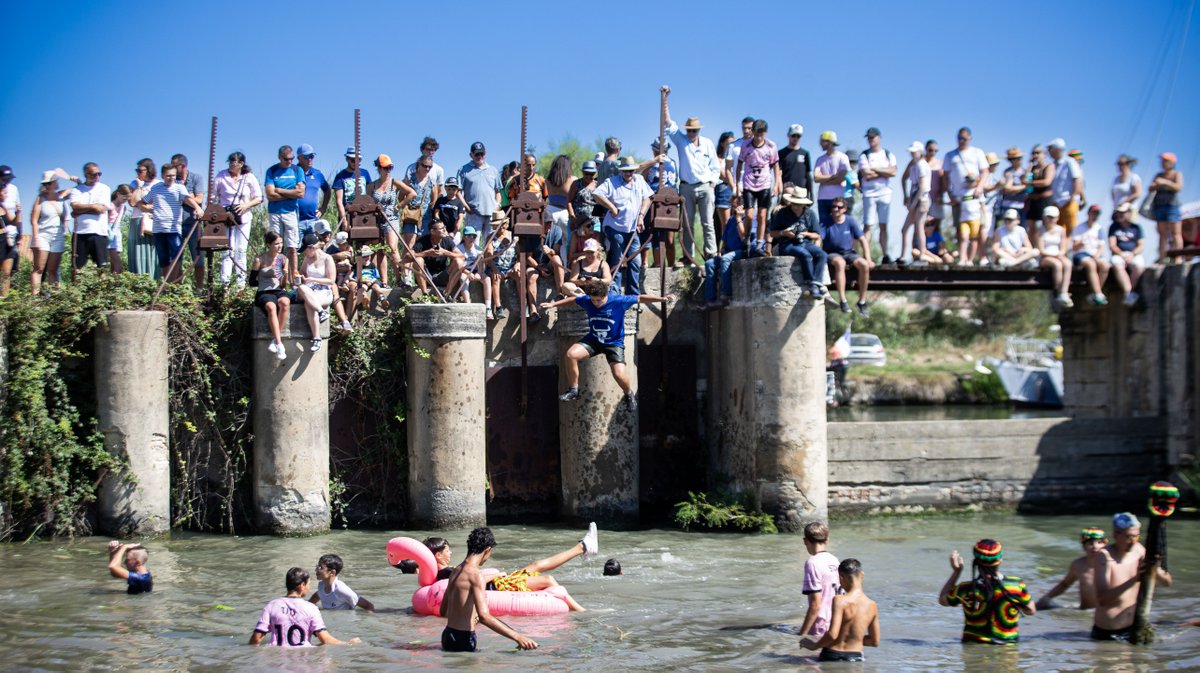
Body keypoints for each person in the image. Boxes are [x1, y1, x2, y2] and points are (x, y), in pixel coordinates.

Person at [542, 278, 674, 411]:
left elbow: (640, 298)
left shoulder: (618, 301)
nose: (595, 303)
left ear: (606, 295)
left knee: (618, 374)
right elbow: (573, 300)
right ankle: (573, 390)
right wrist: (553, 305)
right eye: (593, 300)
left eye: (598, 300)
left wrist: (661, 299)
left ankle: (628, 394)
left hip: (613, 343)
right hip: (593, 340)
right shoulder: (588, 301)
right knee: (570, 355)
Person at [421, 525, 596, 603]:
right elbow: (474, 581)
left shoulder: (444, 571)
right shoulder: (446, 573)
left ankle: (583, 547)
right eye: (447, 551)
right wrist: (496, 575)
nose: (450, 553)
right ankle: (575, 611)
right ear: (437, 556)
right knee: (547, 580)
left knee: (536, 565)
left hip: (499, 583)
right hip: (498, 586)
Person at [439, 528, 539, 652]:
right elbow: (484, 617)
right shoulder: (476, 575)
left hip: (448, 636)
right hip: (463, 639)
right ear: (487, 550)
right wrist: (517, 636)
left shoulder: (455, 571)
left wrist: (468, 617)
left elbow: (443, 611)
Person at [1089, 512, 1173, 641]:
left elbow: (1167, 583)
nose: (1133, 542)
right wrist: (1134, 579)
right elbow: (1102, 599)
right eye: (1129, 537)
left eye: (1137, 536)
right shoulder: (1104, 556)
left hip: (1133, 628)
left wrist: (1155, 569)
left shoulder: (1139, 550)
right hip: (1107, 635)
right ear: (1115, 535)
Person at [938, 539, 1035, 645]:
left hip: (973, 649)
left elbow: (943, 600)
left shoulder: (966, 589)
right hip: (1007, 652)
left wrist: (956, 572)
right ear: (1000, 560)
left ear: (976, 561)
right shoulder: (1015, 585)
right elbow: (1030, 611)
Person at [664, 90, 722, 261]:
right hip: (686, 187)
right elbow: (668, 122)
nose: (691, 133)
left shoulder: (707, 143)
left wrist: (712, 182)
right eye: (689, 130)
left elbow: (715, 165)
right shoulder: (681, 140)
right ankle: (688, 256)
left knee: (707, 222)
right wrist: (665, 99)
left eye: (694, 131)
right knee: (687, 224)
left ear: (698, 130)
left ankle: (710, 253)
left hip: (705, 186)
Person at [250, 567, 359, 647]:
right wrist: (348, 643)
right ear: (302, 586)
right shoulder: (311, 608)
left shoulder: (271, 605)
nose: (308, 587)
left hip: (277, 659)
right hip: (303, 658)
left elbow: (256, 639)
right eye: (308, 584)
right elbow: (325, 639)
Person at [592, 157, 654, 296]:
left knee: (635, 260)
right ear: (621, 171)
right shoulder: (612, 182)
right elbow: (596, 193)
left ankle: (633, 294)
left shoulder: (639, 180)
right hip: (614, 226)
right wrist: (612, 207)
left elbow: (648, 197)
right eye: (626, 171)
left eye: (631, 171)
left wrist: (641, 216)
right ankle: (615, 292)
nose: (629, 174)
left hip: (631, 228)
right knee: (617, 259)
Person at [799, 559, 880, 662]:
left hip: (832, 655)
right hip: (856, 657)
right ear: (862, 575)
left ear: (841, 577)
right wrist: (855, 639)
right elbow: (875, 641)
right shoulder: (872, 605)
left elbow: (833, 634)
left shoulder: (840, 600)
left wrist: (814, 646)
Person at [136, 164, 205, 282]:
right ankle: (168, 284)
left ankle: (169, 284)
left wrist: (197, 208)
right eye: (168, 176)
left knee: (176, 256)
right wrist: (148, 208)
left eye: (173, 175)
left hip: (173, 228)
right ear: (163, 176)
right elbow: (141, 203)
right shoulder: (156, 188)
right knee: (163, 258)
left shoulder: (179, 188)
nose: (171, 178)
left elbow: (187, 199)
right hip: (158, 229)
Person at [214, 151, 264, 285]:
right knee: (227, 250)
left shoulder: (249, 177)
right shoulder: (221, 176)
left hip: (244, 217)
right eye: (229, 162)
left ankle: (240, 284)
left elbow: (259, 198)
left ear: (241, 164)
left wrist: (245, 205)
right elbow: (213, 196)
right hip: (226, 218)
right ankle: (225, 284)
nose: (230, 164)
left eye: (233, 162)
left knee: (241, 250)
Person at [943, 127, 990, 264]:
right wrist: (949, 193)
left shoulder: (977, 152)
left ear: (970, 138)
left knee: (979, 229)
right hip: (958, 198)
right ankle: (963, 257)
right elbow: (945, 176)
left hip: (975, 198)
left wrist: (979, 187)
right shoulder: (950, 155)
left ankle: (981, 257)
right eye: (959, 138)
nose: (961, 141)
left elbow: (985, 172)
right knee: (960, 230)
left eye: (964, 138)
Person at [369, 153, 417, 287]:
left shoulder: (394, 183)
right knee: (380, 250)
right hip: (377, 220)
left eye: (390, 167)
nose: (388, 170)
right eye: (385, 168)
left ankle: (401, 278)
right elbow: (367, 202)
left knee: (392, 248)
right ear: (379, 168)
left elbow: (412, 193)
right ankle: (384, 281)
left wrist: (400, 205)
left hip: (391, 218)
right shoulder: (372, 186)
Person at [734, 119, 782, 255]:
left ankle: (760, 243)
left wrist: (777, 184)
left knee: (762, 215)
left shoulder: (771, 146)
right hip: (749, 183)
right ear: (753, 132)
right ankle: (747, 238)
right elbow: (739, 164)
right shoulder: (746, 145)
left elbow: (776, 166)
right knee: (749, 215)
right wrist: (738, 184)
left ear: (765, 133)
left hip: (764, 184)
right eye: (756, 134)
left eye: (761, 134)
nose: (759, 137)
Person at [769, 187, 826, 298]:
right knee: (805, 254)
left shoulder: (810, 214)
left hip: (805, 242)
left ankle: (817, 283)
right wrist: (784, 233)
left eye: (798, 204)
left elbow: (817, 235)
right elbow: (772, 233)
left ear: (803, 204)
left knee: (822, 254)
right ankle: (810, 284)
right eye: (794, 203)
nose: (795, 206)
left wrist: (806, 234)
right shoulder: (782, 213)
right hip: (787, 244)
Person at [296, 233, 347, 352]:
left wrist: (313, 279)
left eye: (305, 250)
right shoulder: (307, 259)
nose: (304, 253)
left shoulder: (327, 258)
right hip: (309, 290)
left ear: (312, 248)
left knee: (309, 304)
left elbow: (331, 280)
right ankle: (321, 312)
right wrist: (298, 277)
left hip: (323, 291)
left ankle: (317, 338)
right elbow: (302, 273)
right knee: (302, 289)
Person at [1035, 528, 1108, 610]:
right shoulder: (1079, 565)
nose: (1095, 546)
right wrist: (1047, 597)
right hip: (1085, 611)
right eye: (1090, 543)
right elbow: (1064, 584)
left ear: (1105, 545)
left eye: (1099, 542)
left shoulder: (1110, 564)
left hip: (1104, 612)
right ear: (1084, 546)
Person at [823, 197, 872, 316]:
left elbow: (862, 240)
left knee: (864, 265)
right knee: (840, 263)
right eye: (833, 207)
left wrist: (868, 258)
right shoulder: (825, 221)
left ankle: (862, 301)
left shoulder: (850, 221)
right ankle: (843, 300)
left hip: (849, 252)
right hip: (832, 253)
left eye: (839, 207)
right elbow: (819, 239)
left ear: (844, 209)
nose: (835, 209)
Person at [263, 146, 306, 279]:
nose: (289, 161)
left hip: (291, 212)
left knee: (292, 247)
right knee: (276, 247)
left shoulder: (297, 170)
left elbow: (301, 193)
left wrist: (280, 190)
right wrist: (291, 193)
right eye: (286, 159)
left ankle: (293, 278)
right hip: (275, 212)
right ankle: (278, 278)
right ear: (280, 157)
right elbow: (270, 194)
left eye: (292, 159)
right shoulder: (272, 171)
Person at [700, 194, 748, 309]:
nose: (733, 209)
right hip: (729, 251)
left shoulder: (747, 219)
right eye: (732, 206)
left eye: (735, 206)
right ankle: (710, 300)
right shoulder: (731, 220)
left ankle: (725, 296)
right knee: (709, 264)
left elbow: (744, 238)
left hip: (742, 251)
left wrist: (738, 219)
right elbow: (725, 238)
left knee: (726, 259)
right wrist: (721, 250)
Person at [250, 231, 291, 360]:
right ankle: (279, 343)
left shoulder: (283, 259)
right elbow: (251, 282)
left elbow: (283, 285)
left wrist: (285, 274)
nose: (279, 246)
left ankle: (275, 339)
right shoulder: (260, 259)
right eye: (276, 244)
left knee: (285, 302)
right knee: (271, 307)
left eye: (281, 243)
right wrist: (264, 282)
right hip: (264, 291)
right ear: (268, 245)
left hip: (278, 289)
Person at [858, 127, 897, 262]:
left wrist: (874, 169)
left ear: (879, 138)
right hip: (869, 194)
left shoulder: (887, 154)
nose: (870, 140)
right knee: (868, 225)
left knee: (883, 225)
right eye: (868, 138)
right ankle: (866, 256)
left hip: (885, 193)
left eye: (872, 137)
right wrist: (883, 171)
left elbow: (893, 172)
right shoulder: (864, 155)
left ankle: (885, 255)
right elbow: (866, 174)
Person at [799, 522, 840, 639]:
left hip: (820, 625)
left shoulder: (812, 563)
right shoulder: (834, 560)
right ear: (827, 541)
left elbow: (815, 604)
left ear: (805, 541)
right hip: (836, 622)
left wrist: (802, 635)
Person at [69, 163, 114, 270]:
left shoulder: (104, 188)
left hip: (99, 233)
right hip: (80, 233)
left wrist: (81, 210)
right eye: (94, 174)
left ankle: (102, 287)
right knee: (77, 268)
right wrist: (93, 206)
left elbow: (101, 209)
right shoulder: (77, 190)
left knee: (101, 268)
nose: (97, 176)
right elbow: (74, 206)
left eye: (99, 174)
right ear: (86, 174)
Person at [30, 171, 69, 295]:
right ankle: (34, 299)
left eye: (50, 182)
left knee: (52, 270)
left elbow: (79, 187)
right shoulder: (40, 199)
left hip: (57, 236)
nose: (48, 185)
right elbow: (34, 220)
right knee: (39, 269)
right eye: (46, 183)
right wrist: (35, 238)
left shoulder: (61, 197)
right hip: (42, 235)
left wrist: (69, 177)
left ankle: (54, 300)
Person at [457, 142, 503, 244]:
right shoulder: (464, 170)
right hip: (474, 213)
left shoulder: (493, 170)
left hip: (491, 214)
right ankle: (474, 261)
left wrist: (497, 205)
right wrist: (467, 207)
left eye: (481, 154)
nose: (479, 156)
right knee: (472, 243)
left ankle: (487, 260)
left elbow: (498, 192)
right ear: (471, 155)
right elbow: (458, 192)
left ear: (485, 153)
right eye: (477, 154)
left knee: (490, 244)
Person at [171, 154, 206, 287]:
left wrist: (185, 197)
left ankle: (200, 289)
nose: (172, 169)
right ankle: (178, 289)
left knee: (199, 259)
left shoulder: (196, 178)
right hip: (176, 224)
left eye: (175, 166)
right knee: (176, 259)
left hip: (193, 224)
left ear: (183, 166)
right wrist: (189, 197)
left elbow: (199, 199)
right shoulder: (172, 181)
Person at [1071, 204, 1111, 306]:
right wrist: (1080, 244)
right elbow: (1074, 247)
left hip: (1095, 254)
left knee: (1105, 265)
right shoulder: (1079, 228)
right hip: (1081, 254)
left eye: (1097, 214)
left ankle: (1096, 293)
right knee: (1091, 264)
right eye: (1093, 213)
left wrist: (1097, 255)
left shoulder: (1099, 229)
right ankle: (1098, 293)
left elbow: (1101, 247)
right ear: (1088, 213)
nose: (1095, 216)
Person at [403, 136, 445, 232]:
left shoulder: (439, 169)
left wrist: (436, 207)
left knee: (426, 238)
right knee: (410, 239)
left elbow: (440, 190)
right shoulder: (411, 167)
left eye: (433, 150)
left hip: (429, 210)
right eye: (428, 149)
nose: (431, 152)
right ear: (422, 150)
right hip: (412, 209)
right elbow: (405, 187)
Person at [126, 158, 159, 277]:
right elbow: (132, 202)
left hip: (151, 221)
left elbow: (159, 205)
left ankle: (152, 280)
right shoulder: (134, 184)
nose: (138, 173)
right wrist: (139, 187)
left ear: (149, 170)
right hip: (137, 221)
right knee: (137, 253)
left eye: (140, 170)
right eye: (137, 170)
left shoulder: (158, 184)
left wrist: (145, 206)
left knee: (152, 252)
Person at [413, 221, 465, 296]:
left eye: (445, 227)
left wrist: (445, 252)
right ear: (432, 231)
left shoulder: (447, 240)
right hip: (426, 276)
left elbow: (462, 257)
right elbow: (407, 257)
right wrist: (426, 253)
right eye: (441, 228)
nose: (444, 230)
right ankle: (424, 294)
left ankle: (447, 293)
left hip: (443, 275)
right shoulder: (423, 241)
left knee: (459, 262)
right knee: (418, 260)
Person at [1108, 203, 1146, 306]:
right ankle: (1129, 293)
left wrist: (1132, 254)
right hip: (1119, 254)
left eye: (1123, 212)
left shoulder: (1137, 227)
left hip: (1133, 254)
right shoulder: (1114, 227)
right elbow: (1112, 245)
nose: (1120, 214)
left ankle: (1130, 293)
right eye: (1119, 212)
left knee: (1138, 265)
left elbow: (1141, 246)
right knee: (1116, 263)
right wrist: (1121, 254)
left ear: (1129, 213)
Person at [308, 553, 375, 611]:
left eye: (321, 567)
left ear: (332, 572)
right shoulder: (321, 586)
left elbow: (369, 606)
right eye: (317, 566)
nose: (316, 569)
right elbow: (316, 596)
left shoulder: (341, 589)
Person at [1037, 206, 1074, 309]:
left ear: (1057, 218)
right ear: (1044, 218)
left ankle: (1064, 292)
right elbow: (1041, 250)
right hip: (1045, 257)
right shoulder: (1040, 230)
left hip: (1058, 254)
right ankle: (1059, 293)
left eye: (1053, 217)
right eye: (1048, 217)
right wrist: (1055, 255)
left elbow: (1063, 247)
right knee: (1057, 265)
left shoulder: (1061, 230)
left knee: (1067, 263)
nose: (1051, 219)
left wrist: (1060, 254)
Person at [1150, 152, 1184, 261]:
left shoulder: (1176, 174)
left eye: (1165, 160)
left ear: (1172, 162)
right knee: (1162, 234)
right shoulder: (1158, 175)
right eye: (1162, 161)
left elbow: (1178, 187)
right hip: (1159, 206)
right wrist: (1155, 184)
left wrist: (1164, 182)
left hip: (1172, 206)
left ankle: (1178, 258)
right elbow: (1150, 189)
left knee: (1176, 234)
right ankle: (1161, 258)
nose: (1163, 163)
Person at [900, 141, 931, 265]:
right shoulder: (913, 164)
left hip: (922, 200)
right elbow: (904, 179)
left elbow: (923, 186)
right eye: (911, 152)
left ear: (920, 151)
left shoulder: (922, 165)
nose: (912, 153)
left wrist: (913, 204)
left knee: (919, 228)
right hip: (914, 199)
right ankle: (902, 256)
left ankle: (922, 255)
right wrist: (907, 197)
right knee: (904, 229)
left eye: (914, 151)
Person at [295, 144, 331, 242]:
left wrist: (323, 208)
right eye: (306, 157)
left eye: (312, 156)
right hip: (296, 220)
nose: (309, 159)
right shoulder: (292, 172)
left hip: (313, 220)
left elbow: (327, 190)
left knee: (314, 250)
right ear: (299, 158)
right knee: (295, 250)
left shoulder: (317, 174)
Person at [483, 213, 516, 319]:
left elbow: (520, 253)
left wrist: (518, 264)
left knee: (520, 275)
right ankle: (498, 307)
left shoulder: (512, 236)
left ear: (506, 224)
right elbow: (489, 256)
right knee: (496, 277)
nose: (501, 227)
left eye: (503, 225)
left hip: (510, 266)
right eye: (497, 225)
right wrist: (495, 269)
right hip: (496, 266)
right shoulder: (491, 237)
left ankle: (524, 306)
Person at [813, 131, 850, 226]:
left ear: (829, 142)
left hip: (838, 198)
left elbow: (841, 179)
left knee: (838, 225)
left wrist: (824, 180)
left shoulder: (843, 157)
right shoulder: (820, 159)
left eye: (822, 141)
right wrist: (833, 176)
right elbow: (816, 178)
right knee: (823, 227)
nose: (820, 144)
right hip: (822, 198)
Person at [333, 147, 372, 232]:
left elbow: (369, 195)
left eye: (358, 160)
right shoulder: (340, 176)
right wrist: (344, 220)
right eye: (353, 160)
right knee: (346, 242)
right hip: (347, 213)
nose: (356, 163)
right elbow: (339, 201)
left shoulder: (365, 173)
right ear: (347, 159)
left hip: (363, 213)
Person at [1047, 138, 1083, 231]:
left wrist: (1072, 199)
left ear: (1057, 149)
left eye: (1050, 149)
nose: (1049, 151)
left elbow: (1078, 180)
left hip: (1069, 202)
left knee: (1072, 230)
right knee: (1059, 230)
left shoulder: (1070, 162)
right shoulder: (1053, 164)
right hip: (1057, 203)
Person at [1024, 144, 1055, 247]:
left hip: (1045, 200)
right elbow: (1024, 180)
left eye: (1038, 153)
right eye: (1033, 153)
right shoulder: (1032, 168)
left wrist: (1031, 183)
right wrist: (1029, 165)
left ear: (1044, 154)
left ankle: (1042, 249)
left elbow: (1047, 182)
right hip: (1033, 201)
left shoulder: (1049, 166)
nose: (1035, 155)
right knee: (1031, 227)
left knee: (1045, 226)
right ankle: (1031, 250)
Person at [545, 154, 576, 257]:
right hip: (564, 213)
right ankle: (566, 265)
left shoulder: (548, 180)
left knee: (554, 241)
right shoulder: (572, 180)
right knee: (568, 241)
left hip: (550, 212)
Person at [450, 226, 485, 301]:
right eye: (468, 236)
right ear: (464, 237)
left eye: (474, 236)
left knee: (487, 279)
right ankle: (467, 302)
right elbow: (457, 265)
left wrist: (479, 273)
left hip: (475, 270)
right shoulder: (458, 249)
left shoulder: (478, 249)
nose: (471, 238)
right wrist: (468, 273)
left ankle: (488, 306)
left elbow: (481, 264)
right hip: (463, 270)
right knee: (463, 279)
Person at [568, 160, 602, 237]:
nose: (589, 176)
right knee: (575, 242)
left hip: (595, 221)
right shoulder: (576, 184)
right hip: (578, 220)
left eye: (592, 174)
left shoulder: (598, 185)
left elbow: (600, 203)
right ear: (583, 173)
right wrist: (572, 217)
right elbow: (569, 201)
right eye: (586, 173)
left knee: (594, 243)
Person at [779, 124, 814, 196]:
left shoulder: (805, 153)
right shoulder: (781, 153)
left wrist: (811, 192)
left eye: (798, 136)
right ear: (788, 135)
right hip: (787, 191)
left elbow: (808, 174)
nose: (795, 138)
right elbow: (779, 173)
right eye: (793, 135)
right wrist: (780, 190)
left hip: (801, 191)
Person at [999, 147, 1028, 229]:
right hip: (1008, 205)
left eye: (1020, 158)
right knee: (1006, 229)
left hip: (1022, 206)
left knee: (1021, 229)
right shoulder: (1008, 172)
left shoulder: (1025, 171)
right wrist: (1024, 186)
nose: (1020, 160)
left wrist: (1014, 188)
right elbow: (1008, 188)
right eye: (1017, 158)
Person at [353, 245, 390, 310]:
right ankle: (365, 299)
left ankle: (382, 299)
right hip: (363, 282)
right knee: (363, 288)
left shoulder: (372, 265)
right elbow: (354, 277)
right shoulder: (357, 266)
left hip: (372, 281)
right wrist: (363, 281)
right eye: (364, 256)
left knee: (376, 286)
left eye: (368, 256)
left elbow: (376, 276)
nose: (366, 258)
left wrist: (371, 281)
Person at [715, 131, 737, 234]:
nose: (731, 146)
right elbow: (723, 175)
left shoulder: (736, 158)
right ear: (722, 143)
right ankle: (725, 248)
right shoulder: (717, 159)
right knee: (725, 224)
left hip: (736, 191)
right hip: (723, 190)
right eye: (728, 143)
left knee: (738, 222)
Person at [108, 183, 132, 273]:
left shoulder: (122, 207)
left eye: (128, 198)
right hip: (109, 232)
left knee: (113, 264)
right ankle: (117, 281)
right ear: (118, 194)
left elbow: (118, 221)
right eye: (124, 197)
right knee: (117, 264)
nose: (126, 200)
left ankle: (112, 282)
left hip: (116, 231)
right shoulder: (109, 206)